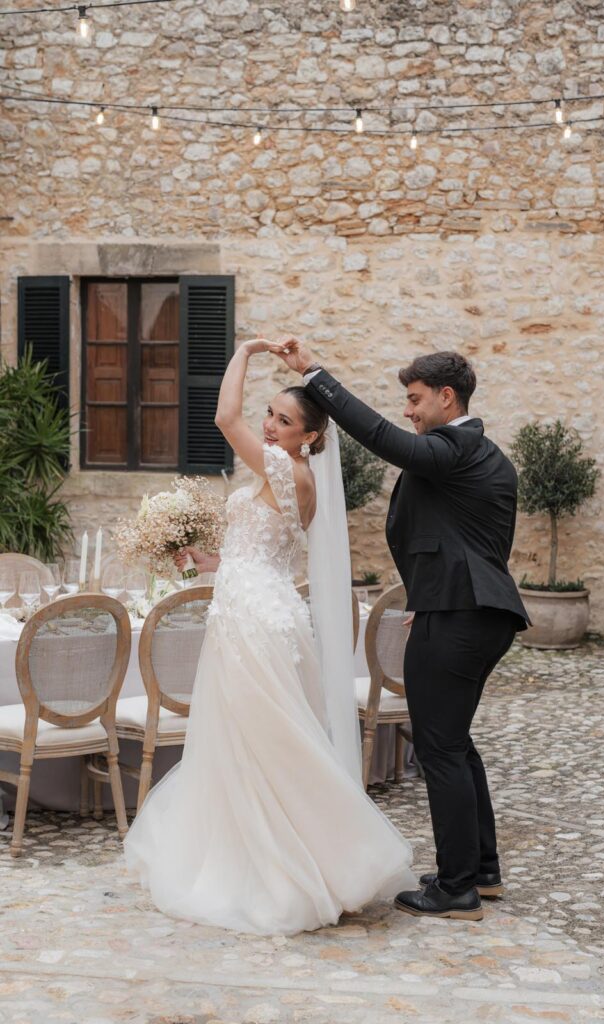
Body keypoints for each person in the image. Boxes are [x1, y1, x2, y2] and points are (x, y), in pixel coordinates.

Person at [122, 338, 415, 935]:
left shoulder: (284, 468)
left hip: (253, 622)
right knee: (253, 737)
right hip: (259, 607)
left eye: (283, 421)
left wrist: (247, 349)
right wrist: (205, 560)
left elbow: (224, 417)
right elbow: (258, 553)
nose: (269, 425)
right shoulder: (296, 478)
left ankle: (290, 870)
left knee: (266, 738)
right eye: (270, 414)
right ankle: (270, 856)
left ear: (310, 437)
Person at [274, 340, 530, 922]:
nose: (408, 411)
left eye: (415, 400)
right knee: (455, 743)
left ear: (447, 398)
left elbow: (381, 438)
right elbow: (471, 542)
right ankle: (480, 871)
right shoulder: (484, 454)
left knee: (439, 749)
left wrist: (315, 374)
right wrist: (430, 592)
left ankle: (457, 889)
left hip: (459, 617)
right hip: (474, 611)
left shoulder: (454, 447)